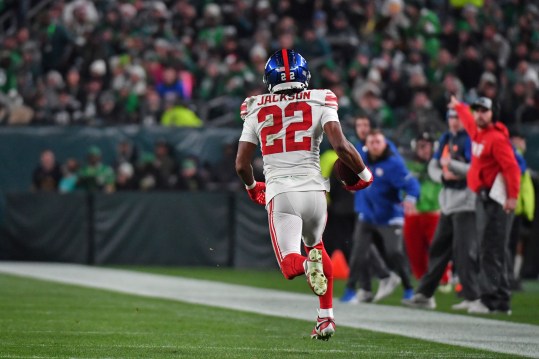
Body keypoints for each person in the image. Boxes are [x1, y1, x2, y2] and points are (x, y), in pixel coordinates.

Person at [235, 49, 372, 341]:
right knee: (317, 246)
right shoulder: (322, 98)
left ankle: (310, 266)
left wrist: (251, 187)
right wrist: (364, 175)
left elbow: (241, 164)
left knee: (290, 264)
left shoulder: (255, 106)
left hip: (282, 194)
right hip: (316, 193)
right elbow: (342, 146)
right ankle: (326, 318)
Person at [402, 109, 480, 310]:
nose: (454, 121)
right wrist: (444, 176)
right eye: (451, 117)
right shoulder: (446, 137)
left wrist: (451, 166)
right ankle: (425, 294)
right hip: (448, 202)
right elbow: (434, 167)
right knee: (438, 248)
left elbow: (475, 169)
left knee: (464, 251)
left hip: (466, 201)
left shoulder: (471, 140)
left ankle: (473, 297)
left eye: (458, 117)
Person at [449, 96, 521, 314]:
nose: (479, 114)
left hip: (496, 201)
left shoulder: (497, 139)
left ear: (493, 113)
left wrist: (512, 197)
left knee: (493, 250)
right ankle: (497, 299)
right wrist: (458, 106)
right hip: (484, 199)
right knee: (490, 249)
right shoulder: (478, 133)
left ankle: (494, 300)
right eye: (477, 110)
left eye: (484, 110)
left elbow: (512, 169)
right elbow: (469, 121)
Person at [343, 129, 419, 304]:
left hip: (390, 215)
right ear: (366, 145)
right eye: (372, 142)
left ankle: (408, 289)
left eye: (378, 142)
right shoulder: (361, 161)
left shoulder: (394, 164)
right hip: (367, 215)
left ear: (385, 144)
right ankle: (351, 290)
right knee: (358, 254)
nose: (375, 145)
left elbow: (411, 184)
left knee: (394, 252)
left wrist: (411, 198)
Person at [403, 132, 447, 286]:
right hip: (413, 213)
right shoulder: (408, 166)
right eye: (421, 145)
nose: (424, 149)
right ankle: (422, 280)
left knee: (438, 247)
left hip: (434, 211)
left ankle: (444, 278)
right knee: (415, 251)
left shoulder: (438, 164)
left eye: (427, 145)